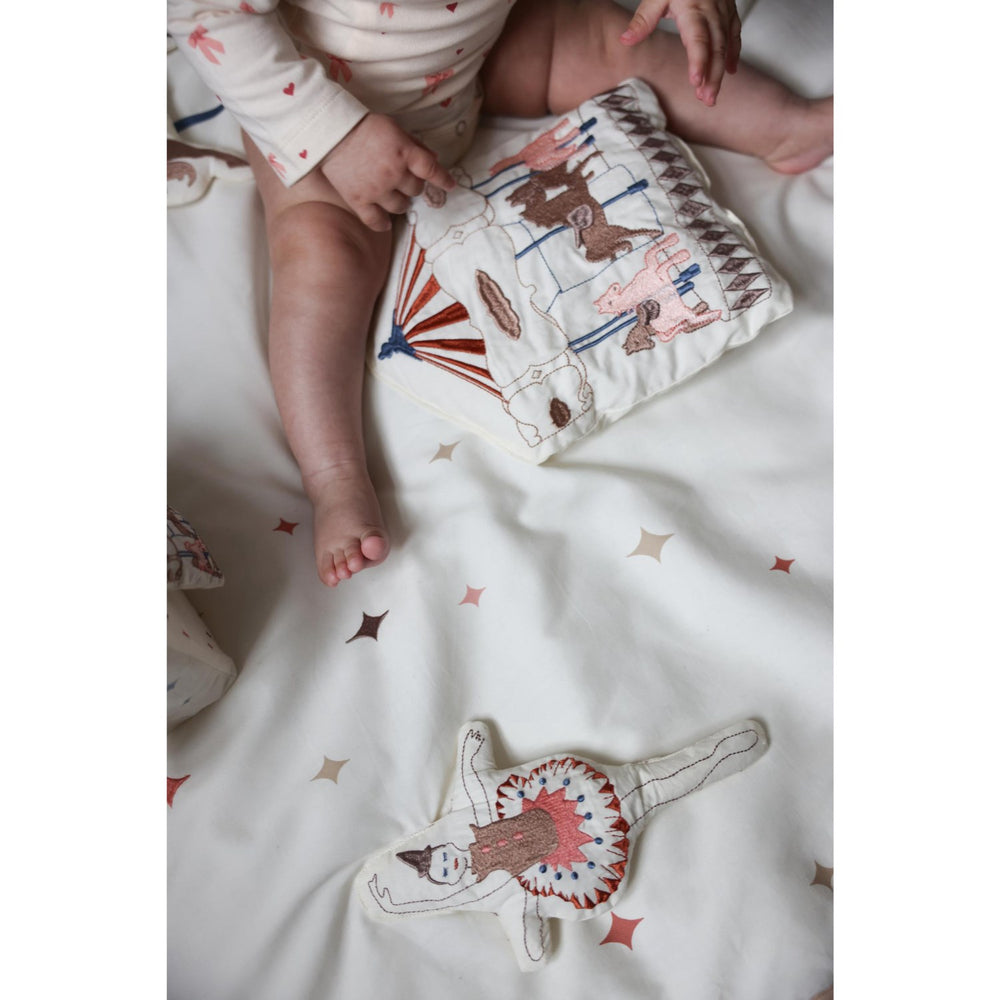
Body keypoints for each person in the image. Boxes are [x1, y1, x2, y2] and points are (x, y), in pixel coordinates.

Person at [168, 0, 833, 587]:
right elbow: (207, 15)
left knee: (607, 39)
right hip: (324, 117)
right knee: (321, 260)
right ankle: (334, 476)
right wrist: (331, 133)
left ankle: (787, 126)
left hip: (475, 57)